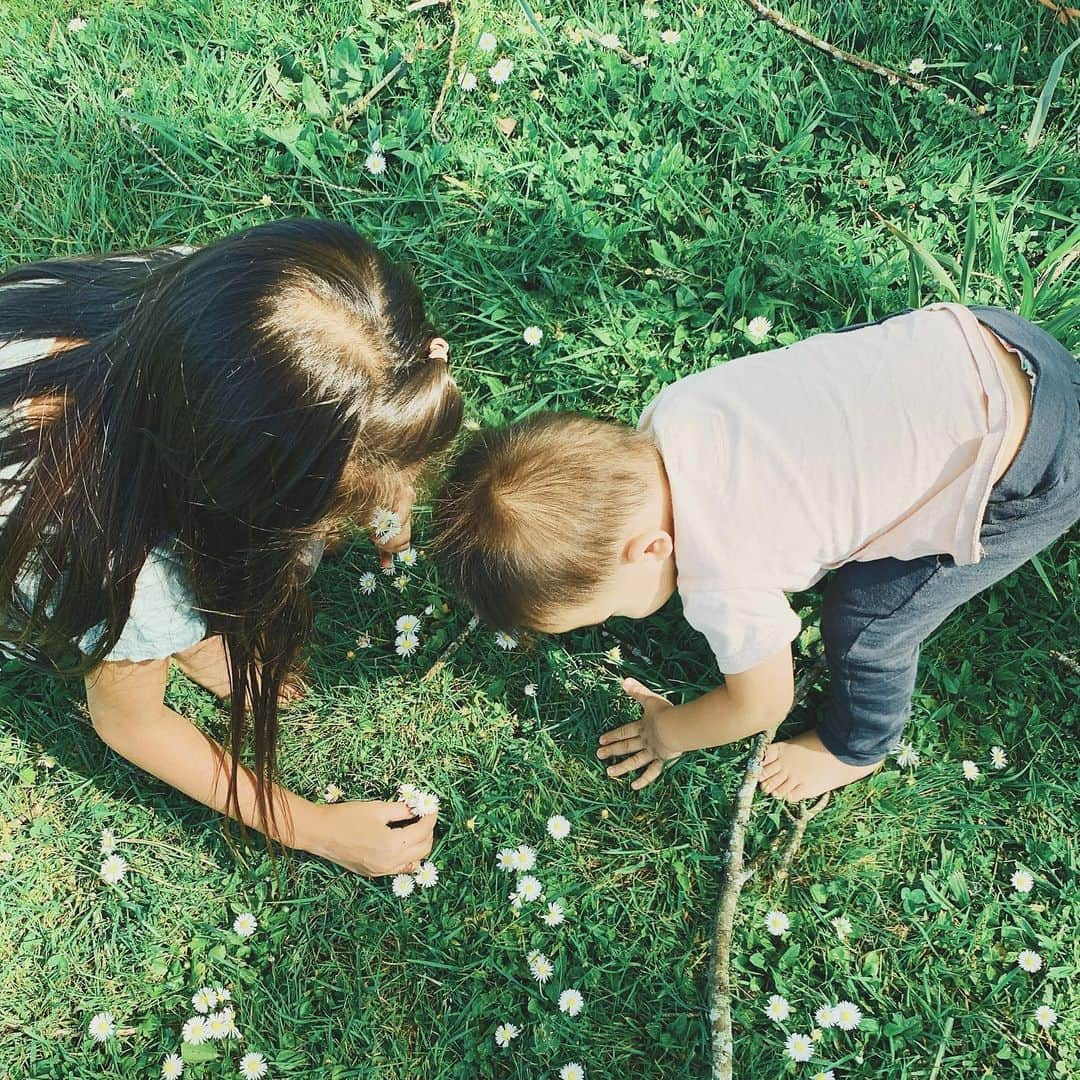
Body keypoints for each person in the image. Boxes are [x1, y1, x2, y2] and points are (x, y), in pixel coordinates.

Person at [433, 304, 1079, 801]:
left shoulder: (723, 576)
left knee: (867, 621)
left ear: (651, 549)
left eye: (603, 613)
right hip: (984, 342)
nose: (613, 624)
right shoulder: (676, 411)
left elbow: (760, 703)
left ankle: (857, 748)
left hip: (1029, 460)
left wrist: (669, 731)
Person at [0, 218, 461, 873]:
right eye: (339, 508)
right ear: (231, 502)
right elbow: (132, 723)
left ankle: (200, 642)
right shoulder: (130, 571)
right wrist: (314, 829)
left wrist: (387, 470)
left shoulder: (233, 314)